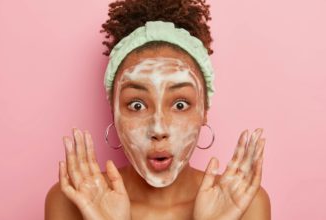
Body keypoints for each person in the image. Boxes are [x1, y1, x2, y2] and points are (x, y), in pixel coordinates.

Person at [45, 0, 271, 219]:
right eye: (137, 105)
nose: (159, 128)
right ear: (114, 111)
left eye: (180, 104)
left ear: (204, 111)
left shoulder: (244, 203)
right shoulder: (72, 201)